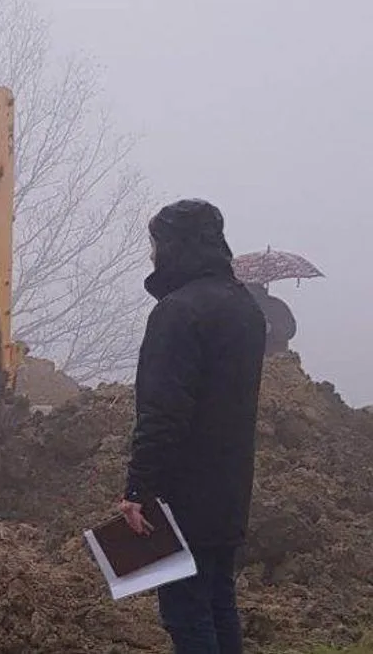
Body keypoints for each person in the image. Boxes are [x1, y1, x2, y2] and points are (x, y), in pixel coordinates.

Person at [119, 199, 267, 654]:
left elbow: (163, 415)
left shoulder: (178, 313)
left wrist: (139, 491)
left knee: (186, 613)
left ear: (175, 247)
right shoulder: (245, 308)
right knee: (219, 602)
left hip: (184, 494)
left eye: (156, 244)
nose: (151, 255)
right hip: (229, 488)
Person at [244, 282, 297, 355]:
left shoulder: (240, 306)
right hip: (277, 358)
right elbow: (291, 330)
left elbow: (290, 330)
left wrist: (272, 329)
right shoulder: (278, 304)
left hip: (268, 356)